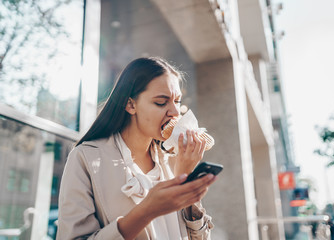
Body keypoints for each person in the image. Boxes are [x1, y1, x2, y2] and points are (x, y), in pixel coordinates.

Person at [56, 57, 218, 240]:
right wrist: (147, 211)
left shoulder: (174, 159)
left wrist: (187, 185)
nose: (174, 112)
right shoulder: (85, 159)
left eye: (177, 101)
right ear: (130, 104)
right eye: (161, 102)